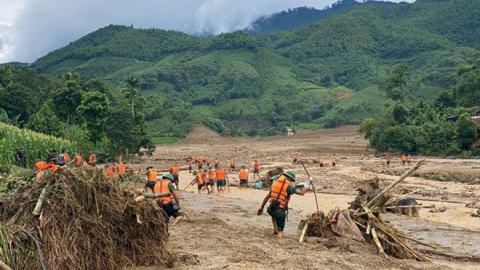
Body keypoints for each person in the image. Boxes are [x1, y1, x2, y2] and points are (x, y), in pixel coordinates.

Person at [257, 171, 311, 238]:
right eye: (291, 180)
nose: (291, 182)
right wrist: (307, 183)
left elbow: (266, 198)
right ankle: (279, 235)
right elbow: (302, 192)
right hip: (279, 211)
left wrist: (261, 208)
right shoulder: (288, 186)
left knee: (274, 212)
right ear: (289, 178)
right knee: (281, 230)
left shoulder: (274, 184)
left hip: (270, 209)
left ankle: (275, 229)